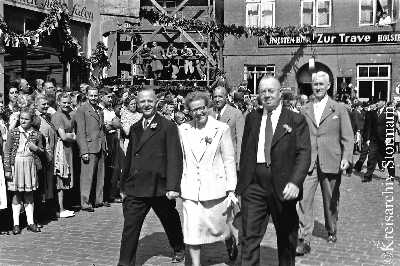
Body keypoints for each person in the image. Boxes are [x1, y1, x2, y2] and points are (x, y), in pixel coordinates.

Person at [237, 77, 311, 266]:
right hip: (254, 185)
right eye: (263, 92)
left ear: (280, 93)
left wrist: (295, 182)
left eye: (271, 91)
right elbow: (246, 151)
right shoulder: (252, 118)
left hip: (283, 186)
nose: (267, 95)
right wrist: (241, 186)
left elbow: (304, 153)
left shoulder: (295, 119)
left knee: (286, 237)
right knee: (249, 236)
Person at [118, 88, 185, 266]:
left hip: (159, 186)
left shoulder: (168, 126)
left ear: (156, 103)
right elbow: (130, 157)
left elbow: (174, 157)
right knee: (130, 228)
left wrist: (173, 186)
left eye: (149, 101)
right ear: (138, 105)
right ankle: (125, 263)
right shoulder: (134, 128)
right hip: (136, 187)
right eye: (142, 102)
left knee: (169, 219)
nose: (146, 105)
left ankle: (179, 247)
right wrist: (123, 186)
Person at [296, 71, 353, 256]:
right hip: (309, 162)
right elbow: (299, 135)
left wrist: (346, 157)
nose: (318, 87)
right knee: (304, 201)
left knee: (331, 200)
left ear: (329, 86)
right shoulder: (304, 109)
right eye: (315, 84)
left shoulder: (339, 108)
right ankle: (304, 238)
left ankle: (331, 228)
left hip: (332, 160)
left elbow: (347, 137)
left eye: (321, 84)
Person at [178, 91, 238, 266]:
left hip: (215, 188)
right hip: (191, 188)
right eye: (194, 109)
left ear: (208, 107)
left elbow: (229, 160)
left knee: (221, 227)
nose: (199, 113)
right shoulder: (183, 130)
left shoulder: (221, 128)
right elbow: (179, 159)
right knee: (192, 231)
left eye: (202, 108)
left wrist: (231, 188)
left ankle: (229, 240)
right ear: (189, 111)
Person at [4, 107, 44, 234]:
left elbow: (42, 151)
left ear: (32, 120)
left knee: (29, 194)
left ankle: (30, 222)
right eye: (21, 118)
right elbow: (7, 151)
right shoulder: (13, 132)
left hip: (30, 164)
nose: (23, 121)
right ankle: (16, 224)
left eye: (26, 119)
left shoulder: (37, 134)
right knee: (16, 194)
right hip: (16, 164)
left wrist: (36, 148)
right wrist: (7, 169)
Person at [75, 86, 107, 212]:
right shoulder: (82, 110)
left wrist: (105, 145)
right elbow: (80, 132)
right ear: (87, 96)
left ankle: (98, 200)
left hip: (100, 146)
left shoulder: (99, 109)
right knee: (87, 177)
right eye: (91, 95)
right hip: (89, 147)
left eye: (96, 95)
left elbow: (101, 129)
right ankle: (85, 202)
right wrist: (84, 151)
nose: (94, 98)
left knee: (100, 176)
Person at [52, 93, 76, 218]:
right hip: (61, 150)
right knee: (60, 179)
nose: (66, 105)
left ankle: (63, 207)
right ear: (58, 103)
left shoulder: (68, 114)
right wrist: (74, 136)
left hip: (68, 149)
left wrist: (70, 135)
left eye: (68, 102)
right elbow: (64, 136)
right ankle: (60, 209)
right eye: (64, 102)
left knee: (65, 177)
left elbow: (69, 134)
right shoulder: (57, 116)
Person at [362, 99, 395, 182]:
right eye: (377, 102)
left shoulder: (388, 112)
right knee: (371, 157)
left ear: (384, 102)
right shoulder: (373, 112)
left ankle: (391, 175)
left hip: (385, 139)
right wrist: (368, 138)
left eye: (379, 101)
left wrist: (389, 137)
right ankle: (368, 176)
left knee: (389, 157)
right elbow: (370, 126)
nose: (377, 103)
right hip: (374, 139)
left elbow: (391, 126)